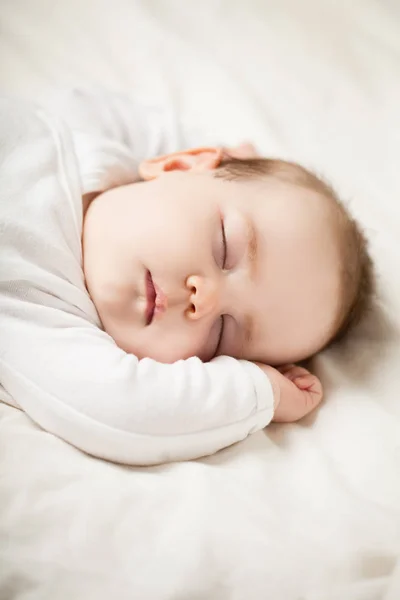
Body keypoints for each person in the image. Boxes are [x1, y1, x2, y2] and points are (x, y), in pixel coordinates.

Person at [0, 88, 374, 464]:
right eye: (225, 248)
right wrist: (227, 158)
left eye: (222, 334)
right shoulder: (83, 137)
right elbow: (143, 126)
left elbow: (125, 411)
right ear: (178, 165)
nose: (205, 300)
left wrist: (260, 392)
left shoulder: (38, 309)